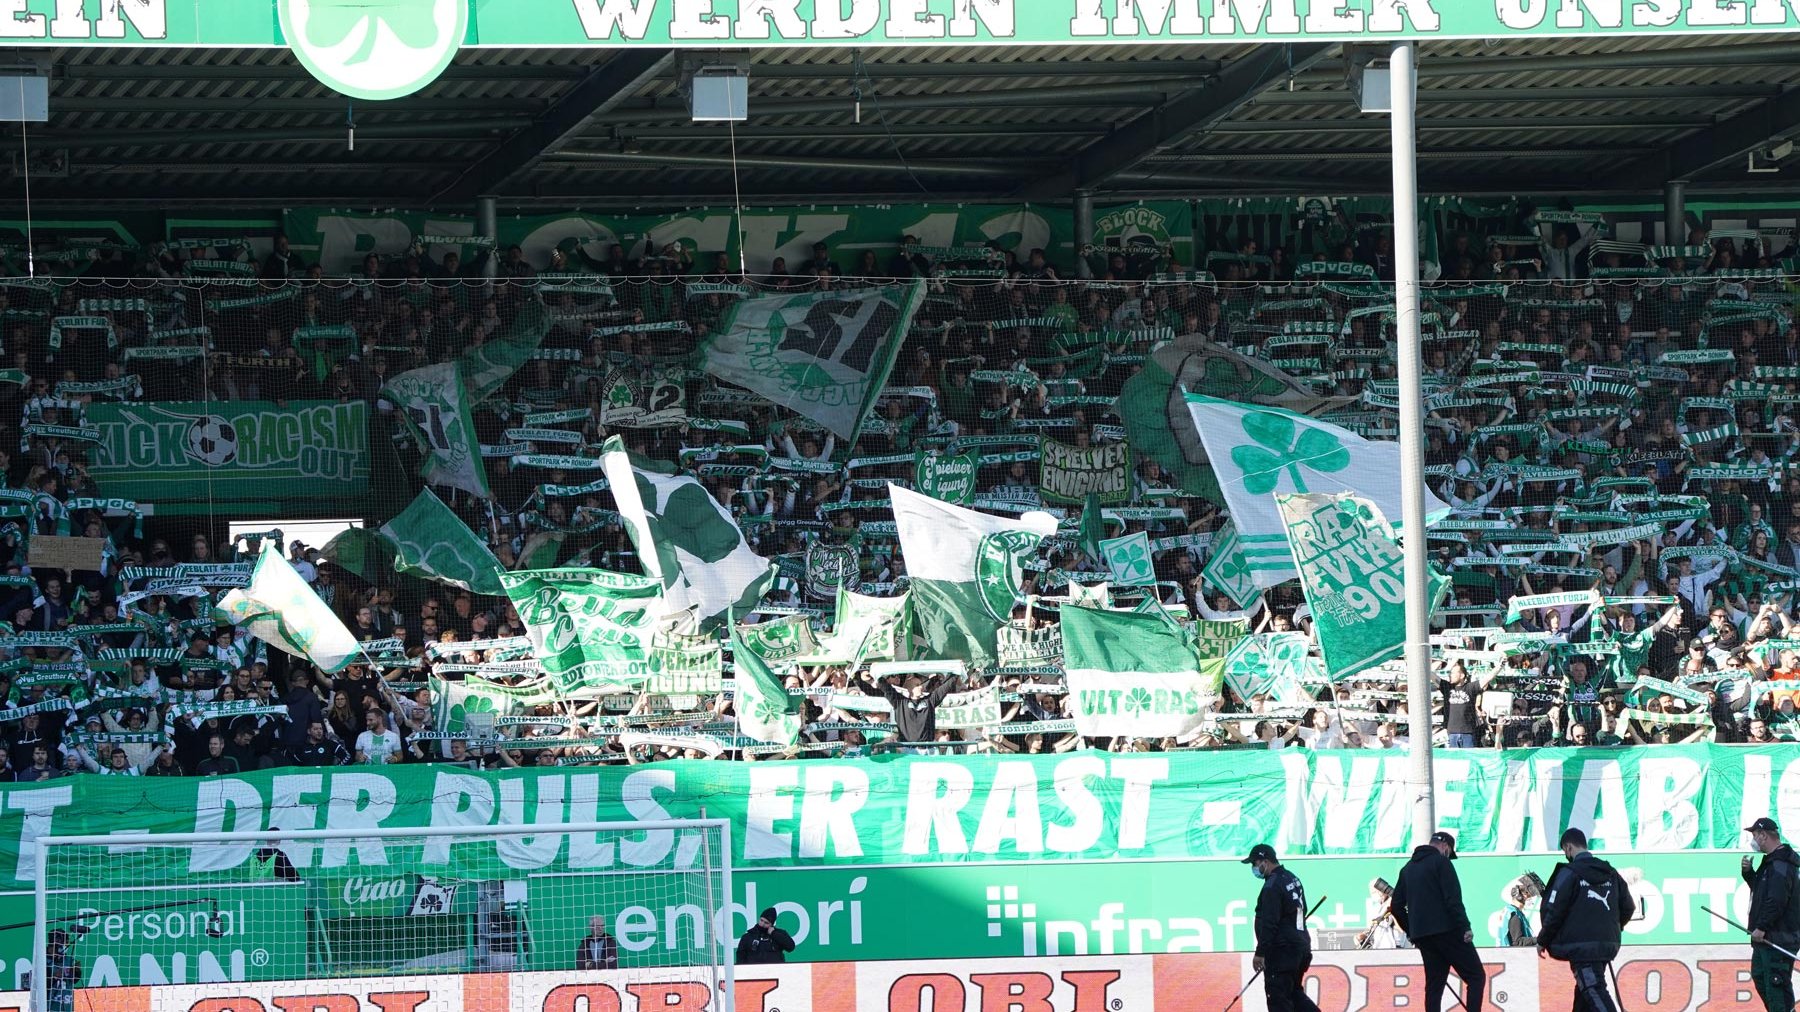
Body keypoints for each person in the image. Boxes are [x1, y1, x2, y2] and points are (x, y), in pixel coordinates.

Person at [1537, 828, 1634, 1012]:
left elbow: (1554, 911)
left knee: (1592, 988)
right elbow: (1629, 907)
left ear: (1568, 847)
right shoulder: (1611, 873)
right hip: (1606, 943)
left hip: (1581, 948)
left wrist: (1543, 940)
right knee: (1585, 994)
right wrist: (1611, 928)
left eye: (1565, 851)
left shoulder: (1569, 873)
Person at [1391, 831, 1486, 1012]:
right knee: (1476, 977)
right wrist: (1465, 926)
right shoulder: (1441, 863)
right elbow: (1453, 900)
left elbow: (1396, 906)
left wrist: (1412, 932)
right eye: (1449, 853)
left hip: (1424, 937)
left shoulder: (1407, 869)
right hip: (1449, 931)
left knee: (1434, 986)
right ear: (1445, 847)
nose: (1448, 856)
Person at [1242, 844, 1318, 1012]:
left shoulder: (1272, 885)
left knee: (1278, 1000)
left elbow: (1269, 922)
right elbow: (1303, 909)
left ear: (1265, 861)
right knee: (1294, 994)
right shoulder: (1292, 878)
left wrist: (1260, 952)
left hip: (1282, 951)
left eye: (1254, 863)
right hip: (1300, 946)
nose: (1253, 868)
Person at [1743, 817, 1800, 1012]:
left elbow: (1777, 900)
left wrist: (1761, 927)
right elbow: (1762, 892)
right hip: (1766, 938)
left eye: (1754, 835)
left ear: (1763, 835)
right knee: (1760, 977)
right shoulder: (1770, 862)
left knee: (1777, 986)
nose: (1753, 841)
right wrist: (1749, 873)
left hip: (1778, 937)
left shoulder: (1781, 864)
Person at [1495, 872, 1543, 947]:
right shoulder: (1514, 914)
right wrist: (1538, 939)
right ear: (1519, 896)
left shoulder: (1510, 911)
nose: (1529, 897)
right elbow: (1517, 942)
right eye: (1527, 894)